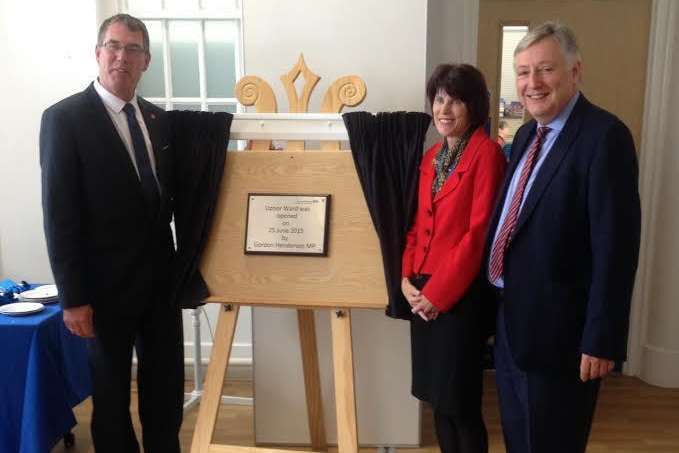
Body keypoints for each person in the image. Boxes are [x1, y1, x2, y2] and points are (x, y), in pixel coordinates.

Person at [484, 22, 641, 453]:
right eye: (522, 72)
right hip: (512, 325)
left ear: (575, 72)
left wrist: (601, 337)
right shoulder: (525, 135)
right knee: (521, 441)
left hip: (562, 338)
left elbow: (617, 248)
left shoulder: (605, 137)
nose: (531, 83)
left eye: (545, 69)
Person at [40, 14, 183, 453]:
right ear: (98, 53)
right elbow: (59, 214)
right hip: (102, 293)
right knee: (111, 399)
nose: (122, 57)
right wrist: (73, 298)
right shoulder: (65, 118)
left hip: (160, 286)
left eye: (134, 49)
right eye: (114, 46)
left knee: (165, 393)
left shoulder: (158, 120)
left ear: (147, 61)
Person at [401, 64, 506, 453]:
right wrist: (406, 280)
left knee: (461, 404)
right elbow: (415, 226)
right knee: (437, 401)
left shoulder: (487, 153)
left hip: (458, 296)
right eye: (439, 99)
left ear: (474, 106)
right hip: (422, 290)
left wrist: (438, 294)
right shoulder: (431, 157)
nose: (444, 108)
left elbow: (478, 234)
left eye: (456, 100)